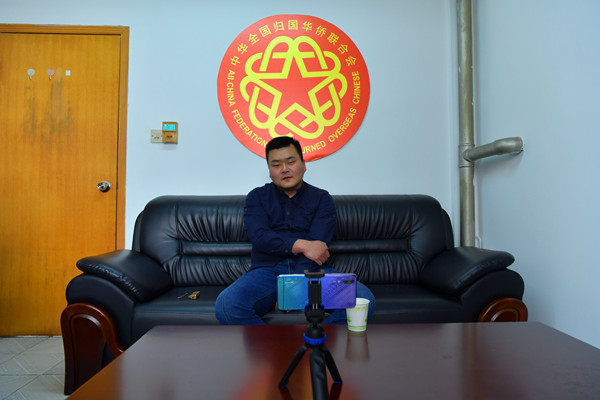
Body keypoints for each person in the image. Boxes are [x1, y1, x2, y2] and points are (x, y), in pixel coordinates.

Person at [215, 136, 375, 325]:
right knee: (226, 305)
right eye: (276, 165)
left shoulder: (322, 199)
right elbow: (260, 236)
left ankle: (316, 339)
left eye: (291, 162)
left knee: (363, 299)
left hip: (313, 271)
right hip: (268, 272)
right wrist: (301, 245)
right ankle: (275, 343)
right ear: (270, 171)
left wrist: (293, 287)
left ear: (304, 165)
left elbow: (317, 247)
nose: (284, 169)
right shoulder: (256, 197)